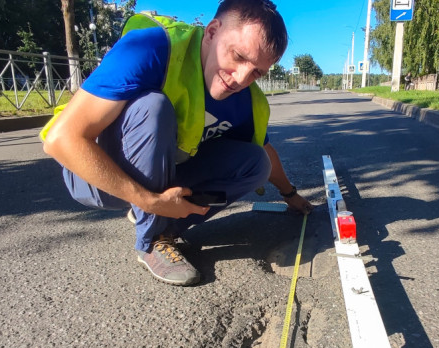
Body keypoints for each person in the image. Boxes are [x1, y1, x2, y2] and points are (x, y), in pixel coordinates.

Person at [41, 0, 312, 286]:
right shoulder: (153, 46)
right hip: (91, 172)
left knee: (256, 162)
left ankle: (159, 221)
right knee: (152, 107)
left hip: (161, 171)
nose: (242, 78)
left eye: (257, 72)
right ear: (211, 31)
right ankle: (152, 240)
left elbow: (265, 152)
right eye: (238, 56)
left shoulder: (246, 100)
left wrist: (289, 194)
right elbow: (62, 139)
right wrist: (149, 200)